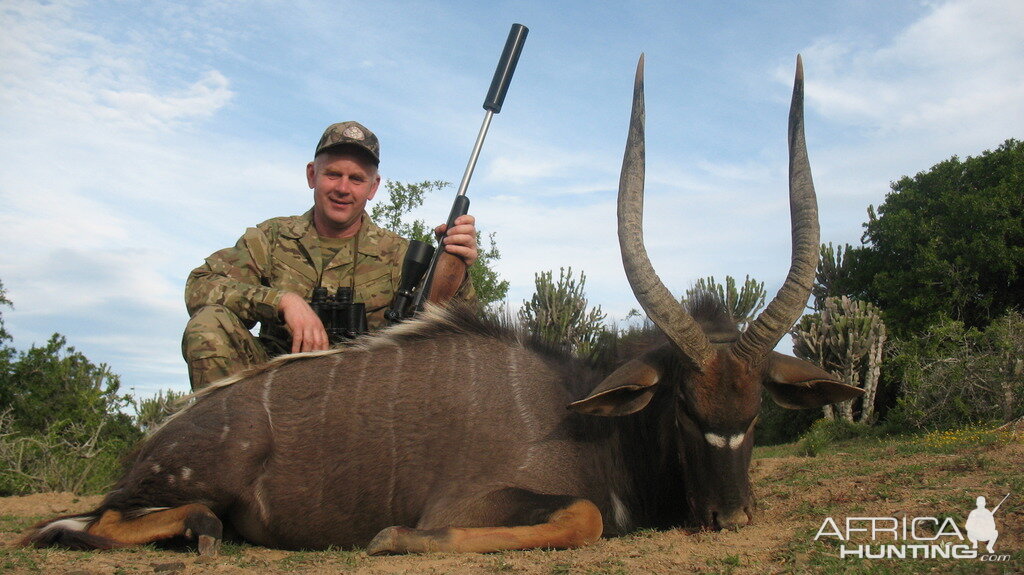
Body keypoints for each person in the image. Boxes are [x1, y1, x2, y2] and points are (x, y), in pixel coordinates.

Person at [182, 121, 478, 390]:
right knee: (209, 323)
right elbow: (200, 286)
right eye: (333, 174)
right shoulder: (270, 238)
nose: (342, 188)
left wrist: (457, 268)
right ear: (312, 175)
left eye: (356, 179)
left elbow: (459, 327)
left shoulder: (401, 255)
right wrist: (283, 302)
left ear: (373, 187)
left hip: (368, 395)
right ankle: (230, 444)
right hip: (272, 390)